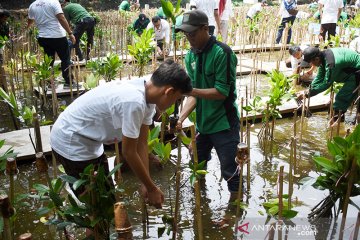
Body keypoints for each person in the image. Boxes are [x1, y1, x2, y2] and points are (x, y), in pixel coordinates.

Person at [50, 59, 193, 209]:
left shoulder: (147, 94)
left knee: (105, 200)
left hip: (87, 139)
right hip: (71, 141)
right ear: (169, 92)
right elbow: (129, 151)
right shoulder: (134, 102)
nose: (175, 104)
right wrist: (152, 188)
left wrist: (146, 182)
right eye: (177, 99)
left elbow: (141, 144)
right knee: (99, 207)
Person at [175, 10, 240, 198]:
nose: (189, 38)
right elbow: (195, 94)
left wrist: (189, 91)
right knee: (196, 164)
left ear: (205, 28)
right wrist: (182, 117)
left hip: (223, 124)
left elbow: (221, 92)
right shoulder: (190, 56)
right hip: (203, 125)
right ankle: (200, 203)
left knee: (230, 171)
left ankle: (234, 214)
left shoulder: (223, 53)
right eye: (186, 34)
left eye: (192, 34)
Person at [297, 47, 360, 124]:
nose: (310, 65)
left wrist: (307, 93)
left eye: (310, 62)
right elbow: (320, 77)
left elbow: (326, 83)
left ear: (316, 59)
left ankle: (337, 123)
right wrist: (308, 90)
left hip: (357, 72)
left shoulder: (331, 63)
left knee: (341, 98)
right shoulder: (323, 57)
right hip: (351, 70)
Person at [28, 0, 77, 89]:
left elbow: (30, 20)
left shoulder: (32, 5)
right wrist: (70, 33)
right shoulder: (53, 2)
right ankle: (69, 82)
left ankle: (49, 83)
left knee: (49, 60)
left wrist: (27, 28)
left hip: (43, 37)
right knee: (65, 59)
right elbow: (61, 17)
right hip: (57, 36)